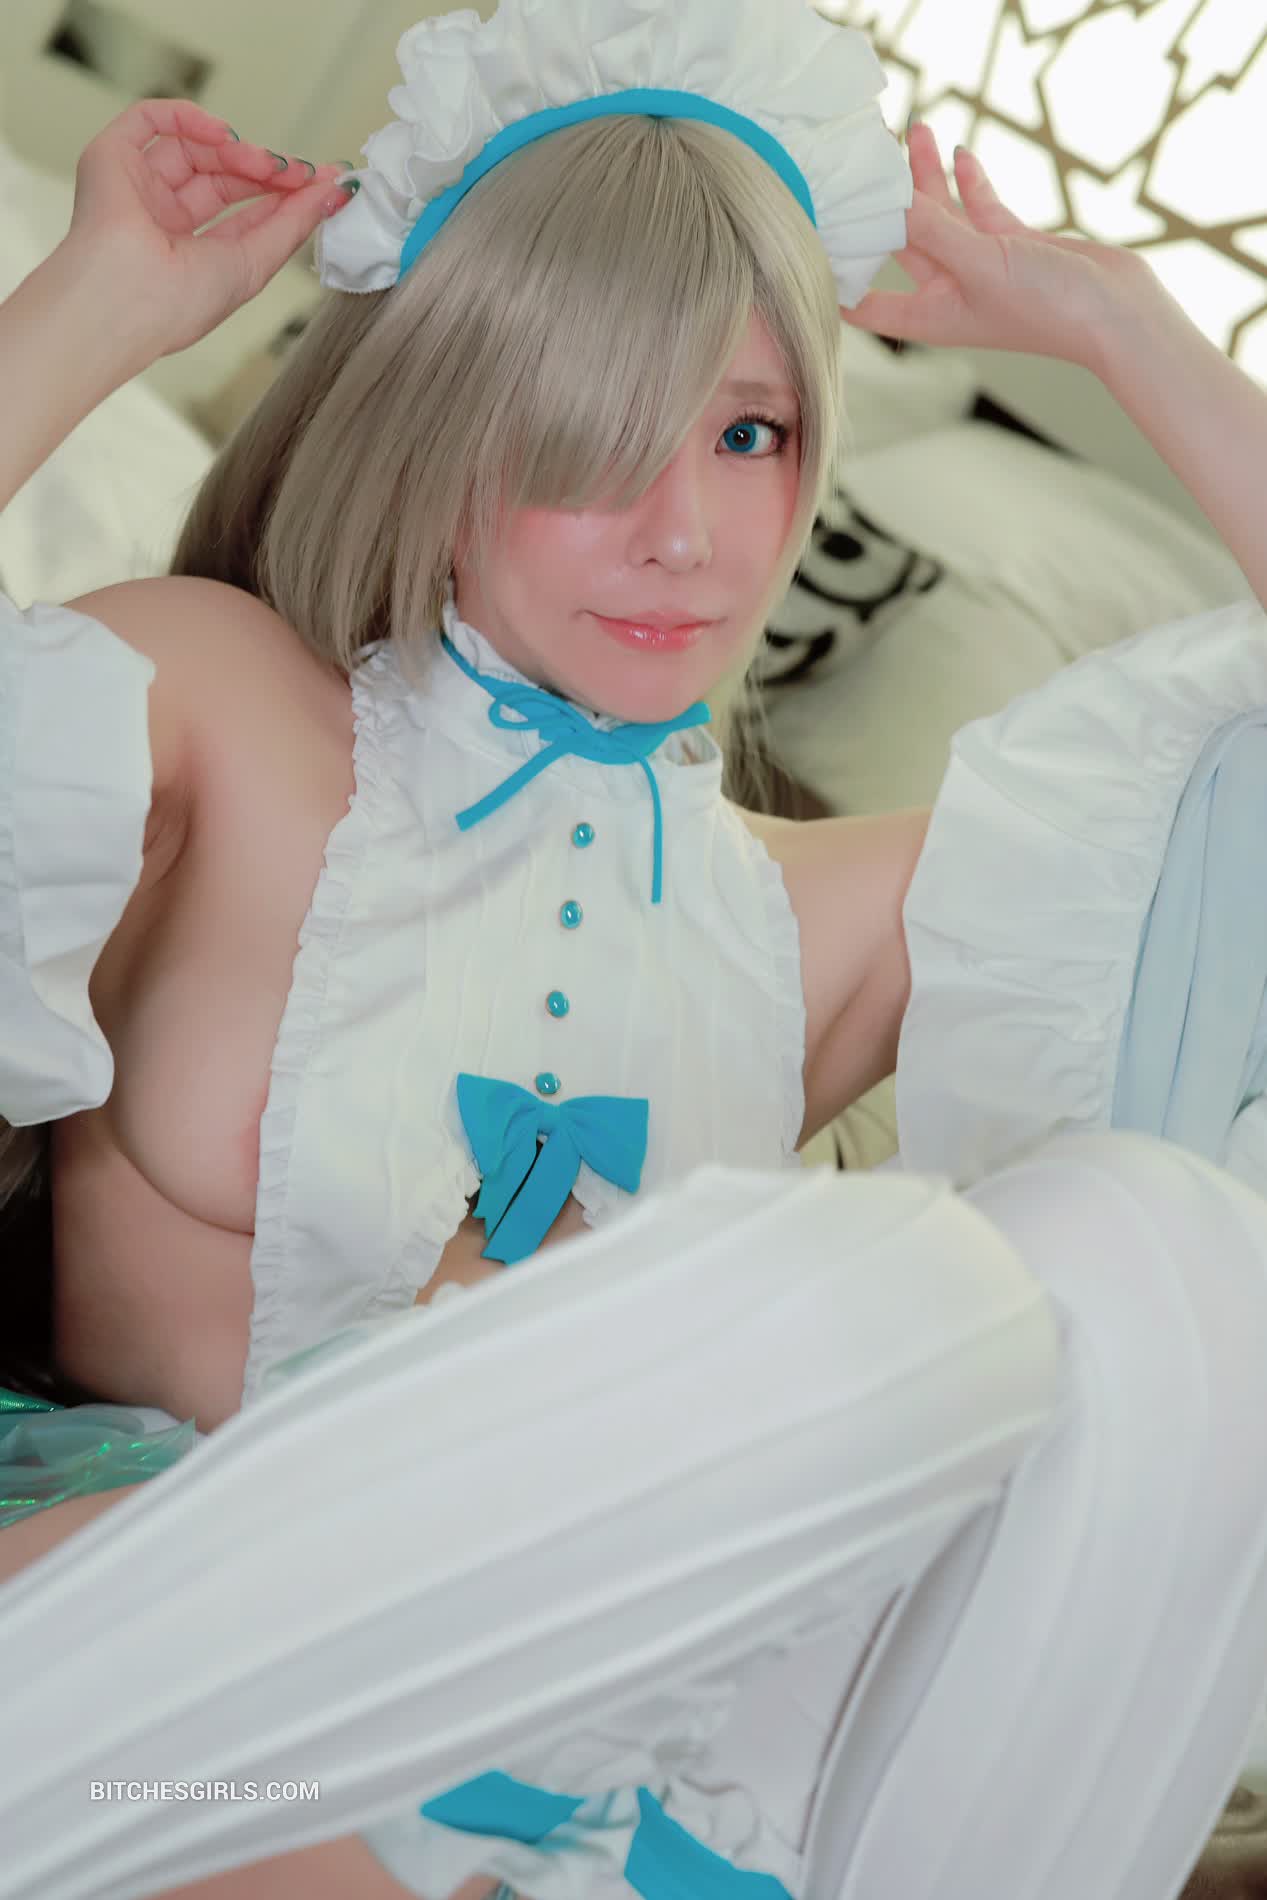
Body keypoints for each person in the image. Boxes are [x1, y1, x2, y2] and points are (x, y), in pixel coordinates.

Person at [5, 0, 1267, 1895]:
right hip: (151, 1725)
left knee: (1158, 1264)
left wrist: (1129, 333)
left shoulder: (804, 920)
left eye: (750, 433)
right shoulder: (220, 702)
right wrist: (94, 305)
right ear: (438, 427)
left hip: (598, 1724)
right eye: (590, 438)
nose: (690, 536)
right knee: (897, 1302)